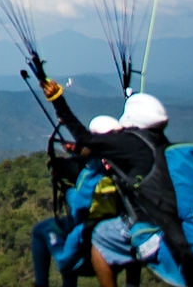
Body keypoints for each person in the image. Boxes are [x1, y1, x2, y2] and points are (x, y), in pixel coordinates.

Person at [41, 81, 170, 287]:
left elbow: (85, 139)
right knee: (127, 230)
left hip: (145, 224)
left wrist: (58, 100)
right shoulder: (160, 145)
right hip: (166, 218)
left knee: (102, 238)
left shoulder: (128, 146)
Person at [30, 115, 123, 287]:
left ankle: (41, 284)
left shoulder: (93, 176)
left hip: (86, 232)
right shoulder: (121, 166)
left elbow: (79, 207)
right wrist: (75, 151)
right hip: (115, 233)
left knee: (42, 232)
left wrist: (67, 191)